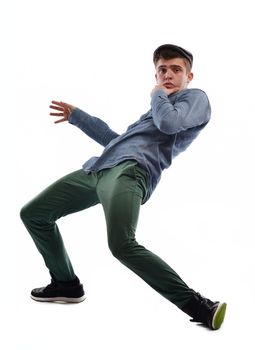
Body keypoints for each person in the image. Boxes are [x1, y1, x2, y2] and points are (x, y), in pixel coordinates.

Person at [20, 44, 226, 330]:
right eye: (162, 70)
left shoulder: (194, 98)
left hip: (130, 173)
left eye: (175, 69)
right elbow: (116, 142)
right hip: (97, 171)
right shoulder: (152, 112)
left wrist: (157, 95)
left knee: (121, 244)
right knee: (34, 213)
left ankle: (198, 305)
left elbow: (168, 123)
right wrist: (79, 117)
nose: (167, 75)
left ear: (189, 76)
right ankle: (66, 284)